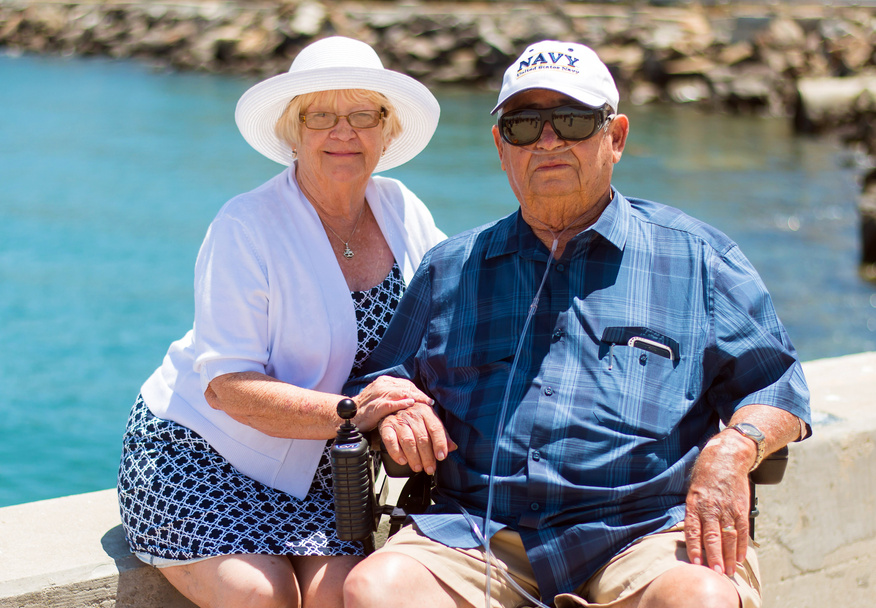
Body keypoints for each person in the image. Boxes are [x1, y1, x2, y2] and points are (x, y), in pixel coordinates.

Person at [342, 40, 811, 608]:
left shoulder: (698, 257)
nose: (548, 140)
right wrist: (398, 401)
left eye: (572, 120)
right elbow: (380, 379)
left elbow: (778, 386)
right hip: (476, 533)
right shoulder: (451, 268)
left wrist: (733, 450)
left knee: (700, 599)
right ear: (500, 145)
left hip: (645, 534)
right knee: (377, 588)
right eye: (523, 125)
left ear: (615, 138)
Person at [117, 36, 446, 608]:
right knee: (262, 596)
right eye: (321, 115)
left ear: (387, 130)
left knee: (344, 597)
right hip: (198, 454)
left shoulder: (404, 210)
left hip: (318, 468)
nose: (343, 132)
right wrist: (353, 413)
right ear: (293, 132)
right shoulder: (245, 224)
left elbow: (452, 321)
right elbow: (226, 387)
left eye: (363, 114)